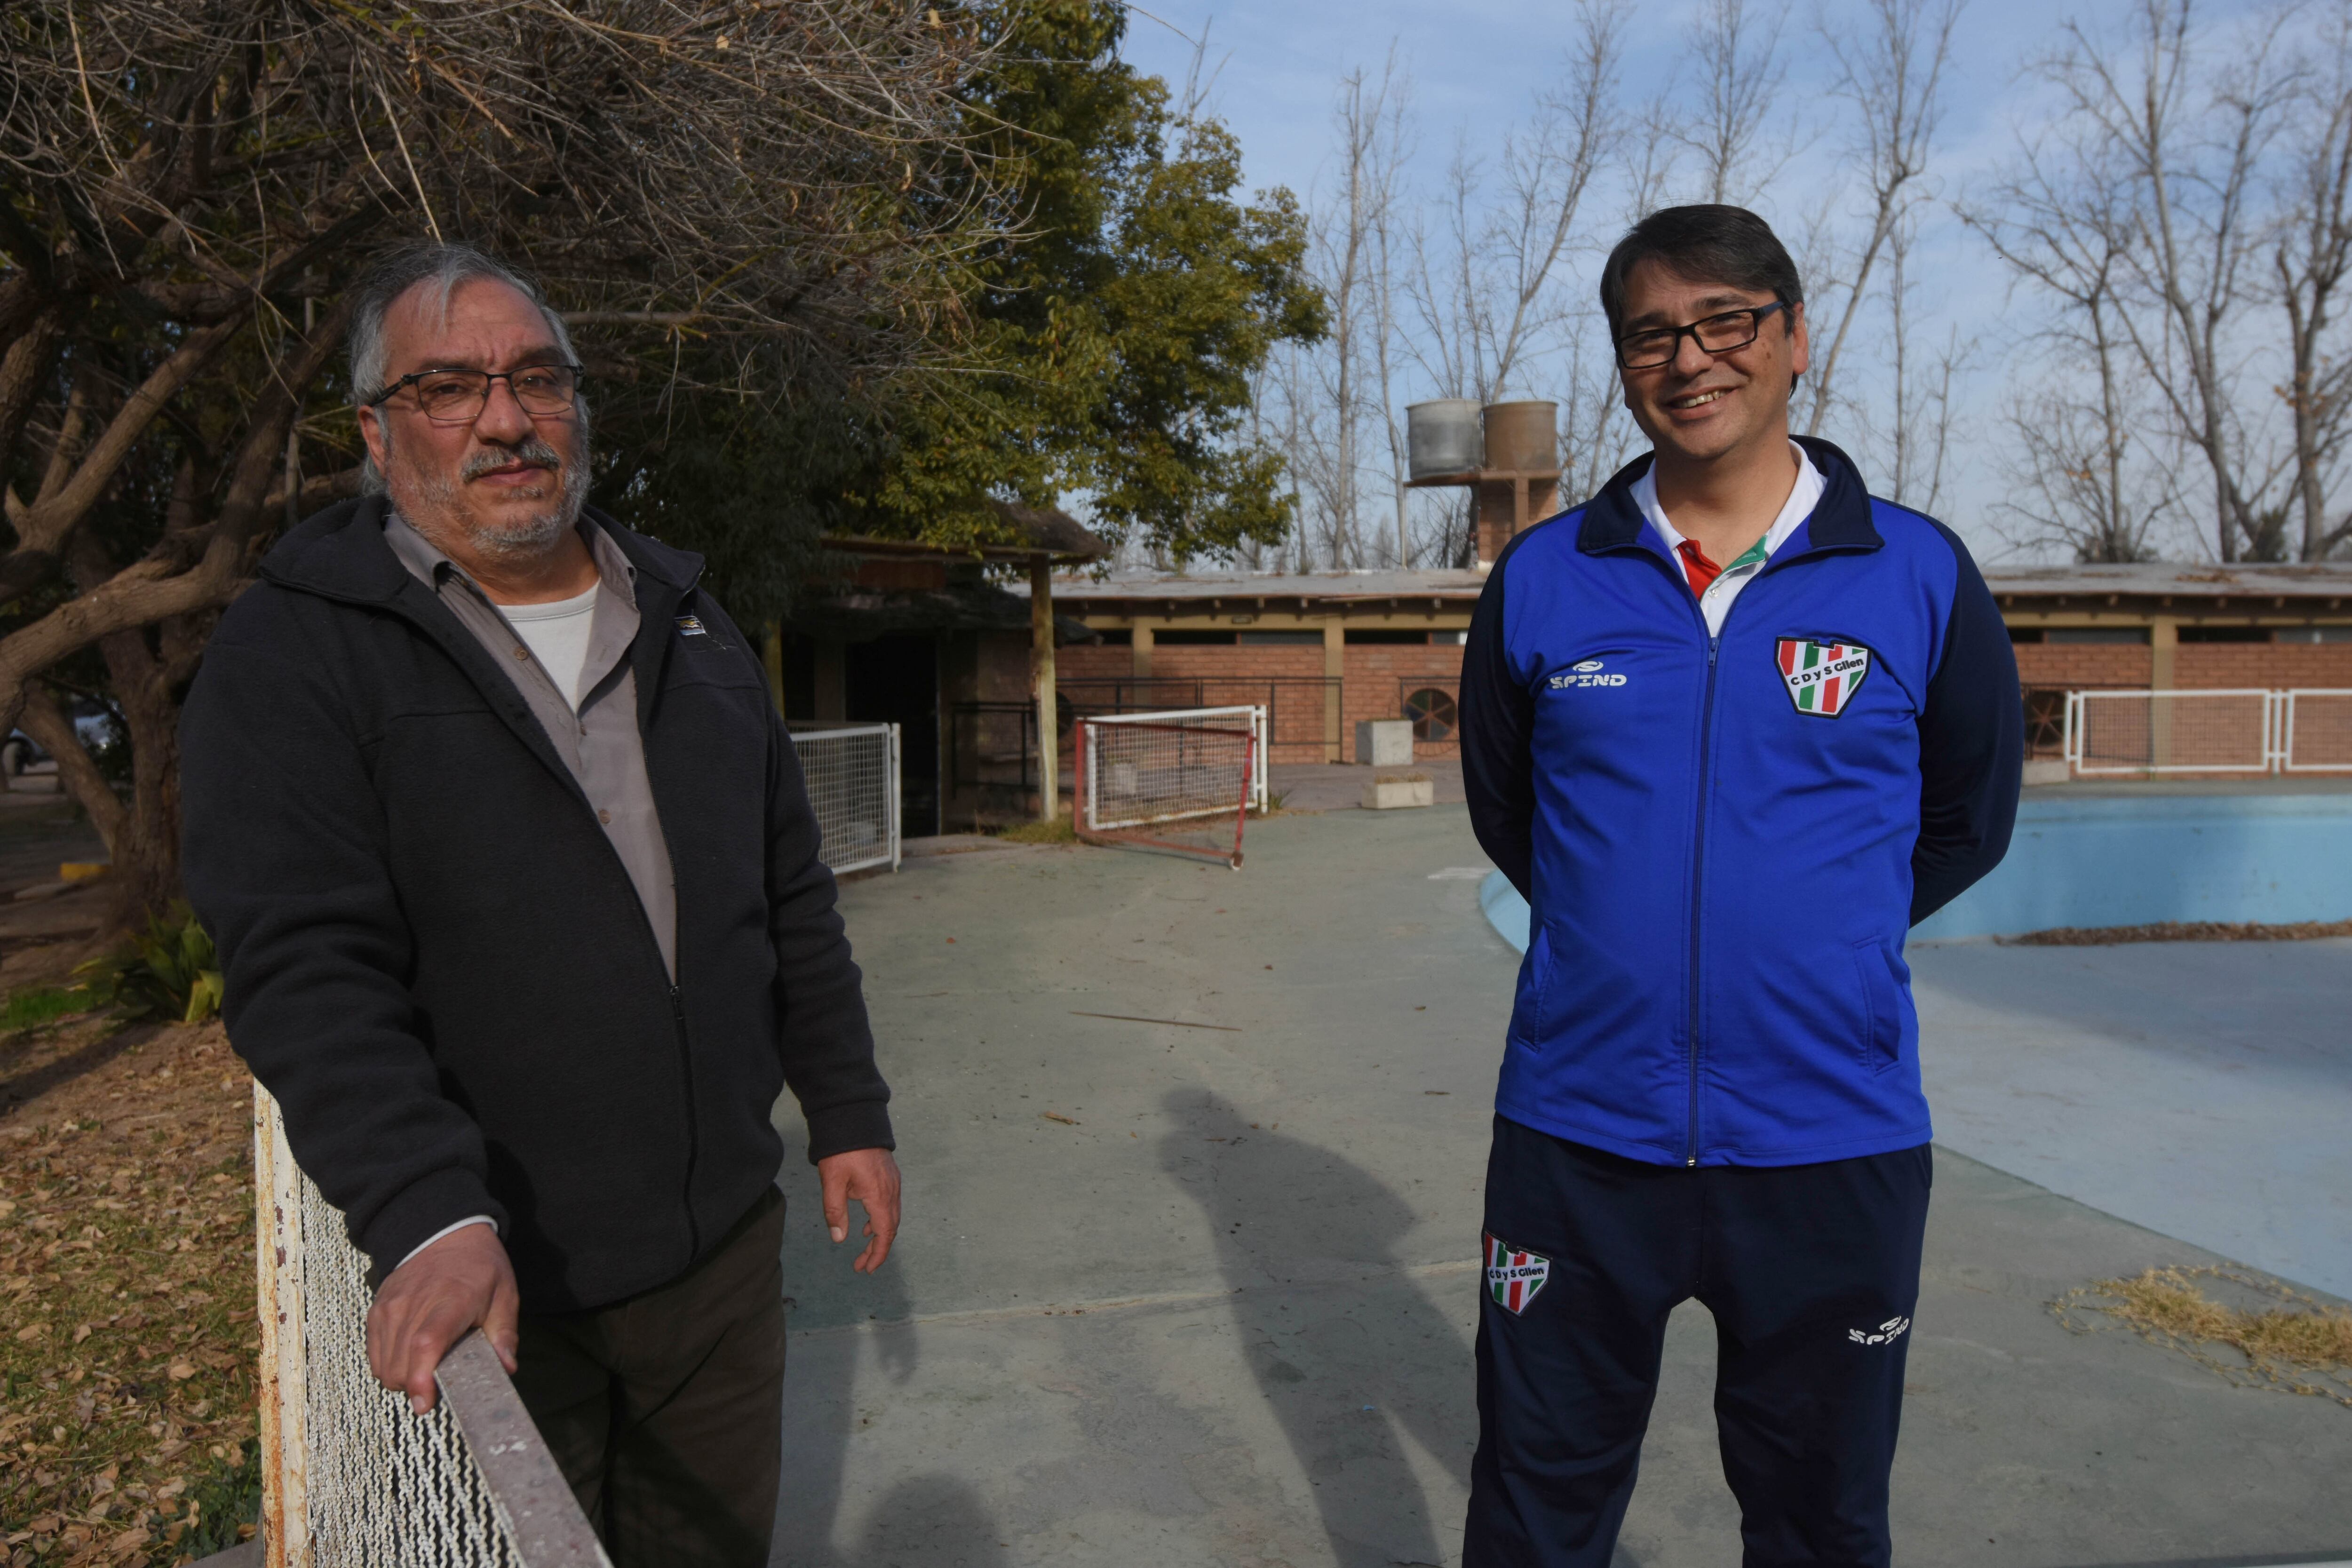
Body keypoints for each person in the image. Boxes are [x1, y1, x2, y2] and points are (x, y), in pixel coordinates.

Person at [180, 241, 901, 1565]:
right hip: (501, 1286)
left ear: (578, 406)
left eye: (536, 380)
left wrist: (846, 1108)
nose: (506, 420)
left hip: (720, 1265)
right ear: (377, 430)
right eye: (449, 387)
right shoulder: (297, 650)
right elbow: (304, 963)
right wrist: (428, 1214)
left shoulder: (687, 618)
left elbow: (786, 886)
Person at [1457, 204, 2022, 1567]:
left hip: (1831, 1137)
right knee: (1536, 1515)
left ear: (1793, 337)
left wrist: (1815, 946)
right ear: (1624, 364)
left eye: (1725, 322)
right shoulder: (1544, 580)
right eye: (1651, 333)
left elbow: (1967, 821)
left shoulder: (1917, 572)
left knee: (1823, 1522)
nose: (1690, 358)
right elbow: (1511, 815)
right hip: (1581, 1137)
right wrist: (1623, 944)